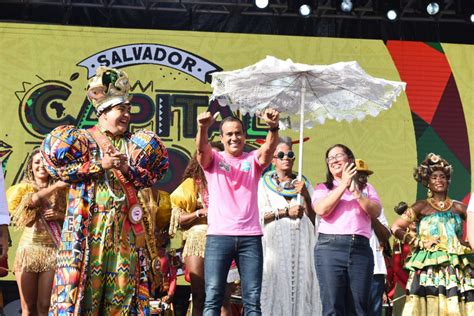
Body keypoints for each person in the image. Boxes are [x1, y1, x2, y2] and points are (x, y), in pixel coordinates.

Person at [41, 66, 169, 314]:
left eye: (128, 110)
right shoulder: (82, 141)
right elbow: (57, 169)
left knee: (122, 294)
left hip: (124, 235)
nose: (127, 115)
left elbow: (149, 177)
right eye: (121, 109)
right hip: (89, 233)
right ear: (103, 112)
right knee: (85, 295)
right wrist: (100, 165)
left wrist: (127, 169)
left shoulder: (134, 145)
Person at [195, 109, 280, 315]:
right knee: (213, 297)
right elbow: (201, 149)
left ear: (244, 136)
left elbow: (269, 149)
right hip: (219, 236)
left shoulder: (252, 160)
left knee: (252, 300)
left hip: (250, 237)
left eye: (238, 133)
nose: (234, 137)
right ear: (222, 138)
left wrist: (273, 127)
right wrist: (203, 127)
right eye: (229, 134)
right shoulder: (213, 159)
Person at [391, 153, 474, 315]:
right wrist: (419, 243)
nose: (439, 180)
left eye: (442, 176)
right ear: (427, 182)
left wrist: (466, 243)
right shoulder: (420, 206)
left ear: (448, 180)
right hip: (429, 266)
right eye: (434, 177)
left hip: (455, 265)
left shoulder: (459, 207)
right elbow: (395, 227)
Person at [312, 144, 381, 316]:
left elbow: (375, 212)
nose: (334, 160)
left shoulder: (367, 189)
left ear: (350, 160)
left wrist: (356, 192)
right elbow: (322, 210)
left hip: (360, 249)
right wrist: (343, 184)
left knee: (358, 308)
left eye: (338, 156)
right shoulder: (323, 188)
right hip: (330, 248)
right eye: (330, 158)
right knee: (333, 306)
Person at [257, 136, 320, 316]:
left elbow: (316, 218)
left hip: (301, 246)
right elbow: (259, 216)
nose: (286, 158)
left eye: (290, 154)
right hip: (275, 248)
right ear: (273, 159)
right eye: (281, 154)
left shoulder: (304, 184)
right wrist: (286, 212)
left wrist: (307, 196)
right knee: (276, 288)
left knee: (302, 287)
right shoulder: (263, 184)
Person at [169, 149, 234, 316]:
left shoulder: (231, 183)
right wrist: (199, 213)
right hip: (197, 242)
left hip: (225, 241)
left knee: (223, 299)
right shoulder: (192, 184)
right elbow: (177, 218)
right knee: (199, 296)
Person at [6, 148, 67, 316]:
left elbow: (75, 216)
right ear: (30, 166)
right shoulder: (23, 189)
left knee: (45, 306)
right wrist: (54, 186)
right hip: (28, 251)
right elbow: (30, 204)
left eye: (44, 162)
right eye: (36, 162)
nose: (41, 166)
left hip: (52, 252)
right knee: (28, 307)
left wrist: (59, 215)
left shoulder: (63, 191)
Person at [354, 159, 391, 316]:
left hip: (375, 268)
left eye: (365, 176)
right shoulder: (344, 201)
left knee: (373, 312)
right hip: (353, 266)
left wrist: (371, 213)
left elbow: (386, 235)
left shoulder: (373, 204)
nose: (363, 179)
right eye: (359, 175)